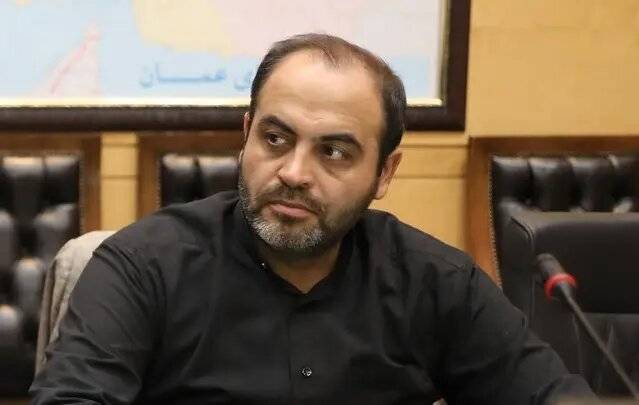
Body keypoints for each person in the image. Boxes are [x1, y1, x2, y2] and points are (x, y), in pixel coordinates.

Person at [30, 33, 595, 404]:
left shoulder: (434, 281)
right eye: (275, 139)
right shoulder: (145, 264)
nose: (295, 172)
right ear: (246, 135)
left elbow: (549, 394)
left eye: (334, 152)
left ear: (384, 172)